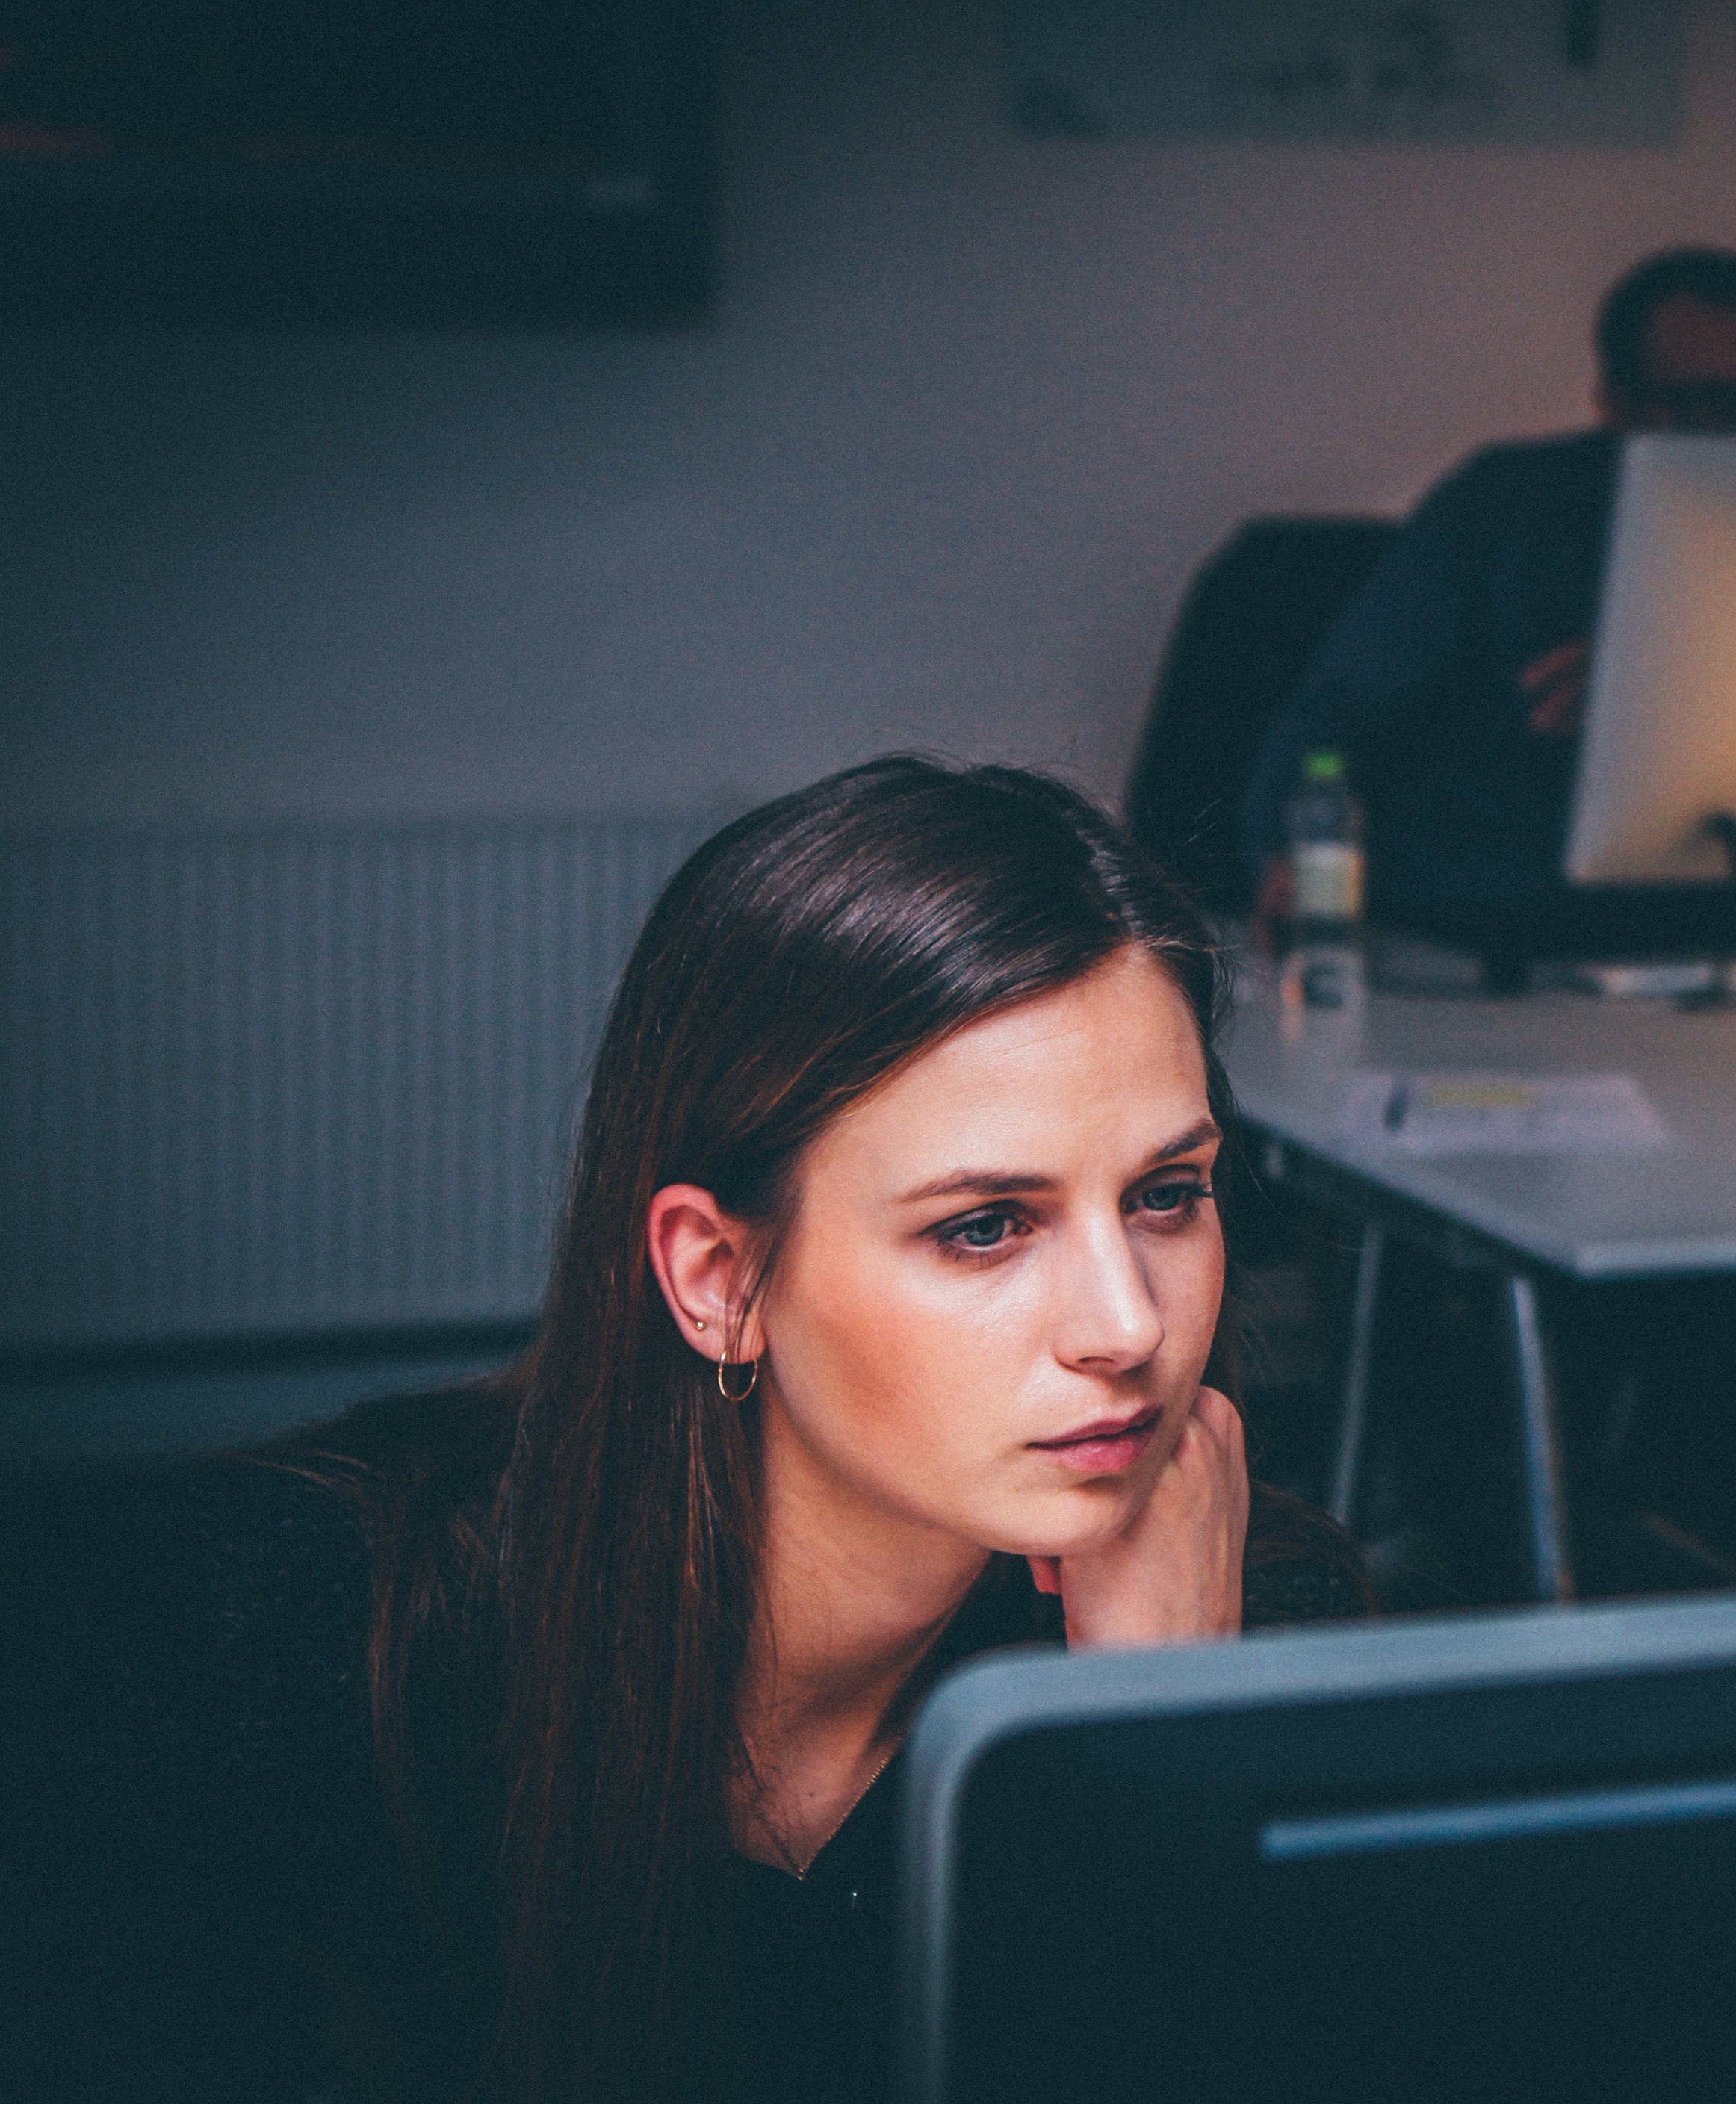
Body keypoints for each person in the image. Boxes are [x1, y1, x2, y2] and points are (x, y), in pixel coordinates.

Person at [26, 759, 1362, 2103]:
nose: (1127, 1327)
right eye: (983, 1227)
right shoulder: (280, 1644)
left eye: (1166, 1195)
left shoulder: (1232, 1633)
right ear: (719, 1281)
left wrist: (1147, 1749)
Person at [1238, 246, 1736, 920]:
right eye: (1704, 407)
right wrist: (1293, 868)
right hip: (1493, 921)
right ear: (1615, 404)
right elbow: (1340, 711)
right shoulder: (1502, 510)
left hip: (1730, 924)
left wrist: (1680, 690)